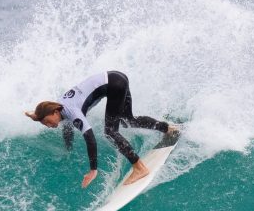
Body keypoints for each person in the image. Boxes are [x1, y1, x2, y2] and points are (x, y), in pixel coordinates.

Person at [25, 71, 178, 187]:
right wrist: (67, 148)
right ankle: (168, 129)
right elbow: (67, 128)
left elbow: (90, 137)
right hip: (116, 76)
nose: (48, 126)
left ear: (55, 112)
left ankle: (139, 168)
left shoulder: (72, 112)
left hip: (114, 86)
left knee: (110, 132)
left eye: (46, 122)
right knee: (128, 121)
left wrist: (93, 170)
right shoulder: (56, 106)